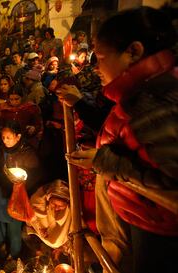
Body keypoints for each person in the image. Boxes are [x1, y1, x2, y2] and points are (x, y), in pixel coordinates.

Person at [64, 7, 178, 273]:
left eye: (101, 57)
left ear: (133, 52)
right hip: (143, 222)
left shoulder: (154, 102)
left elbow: (171, 183)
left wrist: (106, 162)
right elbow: (125, 136)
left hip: (159, 233)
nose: (96, 67)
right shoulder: (141, 91)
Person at [0, 120, 42, 260]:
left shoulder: (27, 152)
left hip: (17, 193)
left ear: (18, 136)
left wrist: (22, 180)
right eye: (3, 137)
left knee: (14, 223)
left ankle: (14, 253)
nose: (5, 141)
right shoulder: (1, 149)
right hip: (1, 190)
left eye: (9, 137)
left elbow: (35, 175)